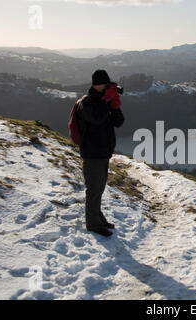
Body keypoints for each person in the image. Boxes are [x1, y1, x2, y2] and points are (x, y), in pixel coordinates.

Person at [77, 69, 125, 237]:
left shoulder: (104, 101)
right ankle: (93, 224)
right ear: (97, 85)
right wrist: (106, 101)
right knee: (93, 189)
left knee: (100, 187)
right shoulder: (87, 103)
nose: (107, 88)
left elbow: (118, 122)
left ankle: (98, 217)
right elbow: (96, 119)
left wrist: (115, 103)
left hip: (103, 152)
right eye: (105, 85)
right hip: (92, 152)